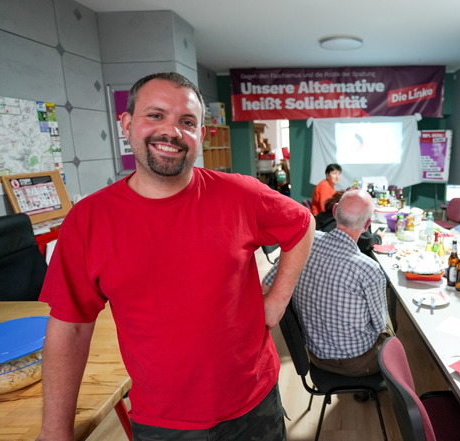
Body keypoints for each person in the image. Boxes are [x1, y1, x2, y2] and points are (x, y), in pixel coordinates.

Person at [37, 72, 315, 441]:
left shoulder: (240, 194)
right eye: (155, 115)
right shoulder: (89, 220)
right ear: (127, 123)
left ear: (200, 135)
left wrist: (276, 303)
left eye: (186, 122)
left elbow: (301, 224)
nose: (171, 131)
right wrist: (55, 430)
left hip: (254, 401)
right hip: (163, 421)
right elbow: (69, 328)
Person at [263, 190, 393, 377]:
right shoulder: (369, 269)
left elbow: (267, 283)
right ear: (368, 225)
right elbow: (379, 326)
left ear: (334, 211)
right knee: (387, 324)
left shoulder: (305, 241)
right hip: (356, 362)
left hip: (316, 356)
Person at [314, 189, 384, 256]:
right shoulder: (367, 267)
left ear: (335, 209)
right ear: (367, 224)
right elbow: (368, 243)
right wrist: (378, 237)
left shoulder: (313, 236)